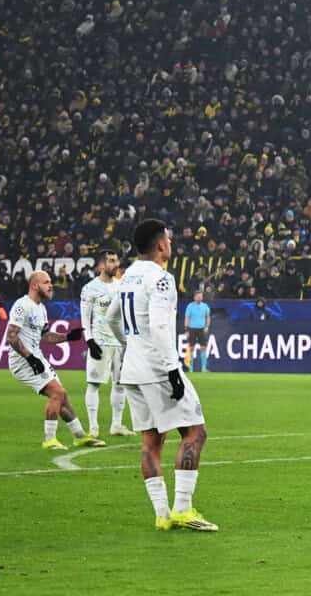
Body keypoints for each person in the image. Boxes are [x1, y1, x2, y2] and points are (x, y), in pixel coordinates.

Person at [121, 219, 216, 531]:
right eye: (169, 239)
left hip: (131, 369)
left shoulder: (127, 276)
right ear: (161, 244)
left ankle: (162, 515)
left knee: (151, 442)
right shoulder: (161, 278)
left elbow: (110, 318)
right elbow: (160, 327)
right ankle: (183, 509)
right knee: (195, 433)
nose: (171, 244)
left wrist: (131, 347)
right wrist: (173, 369)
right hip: (158, 368)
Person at [6, 270, 103, 450]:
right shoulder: (22, 305)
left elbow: (45, 336)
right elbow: (11, 336)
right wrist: (29, 358)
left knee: (62, 396)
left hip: (36, 357)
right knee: (57, 393)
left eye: (50, 282)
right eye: (46, 282)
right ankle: (49, 440)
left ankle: (80, 436)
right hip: (22, 360)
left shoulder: (41, 308)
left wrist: (68, 337)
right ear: (35, 285)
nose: (51, 285)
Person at [79, 250, 133, 438]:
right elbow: (85, 317)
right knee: (94, 384)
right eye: (111, 261)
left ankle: (116, 425)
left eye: (116, 260)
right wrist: (89, 340)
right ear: (101, 265)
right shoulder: (90, 288)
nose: (115, 264)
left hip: (120, 343)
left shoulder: (121, 286)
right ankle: (93, 427)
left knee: (120, 384)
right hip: (100, 343)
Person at [184, 289, 211, 372]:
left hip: (201, 329)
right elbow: (187, 318)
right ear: (194, 297)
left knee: (203, 347)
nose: (199, 298)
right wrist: (186, 330)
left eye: (201, 296)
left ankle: (203, 368)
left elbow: (208, 317)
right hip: (192, 329)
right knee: (191, 348)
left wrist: (207, 326)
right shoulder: (190, 306)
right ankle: (191, 368)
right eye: (198, 296)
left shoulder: (205, 306)